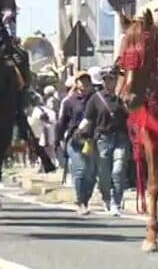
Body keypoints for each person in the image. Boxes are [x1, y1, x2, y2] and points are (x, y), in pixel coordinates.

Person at [82, 67, 129, 216]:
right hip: (102, 137)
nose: (110, 82)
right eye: (107, 79)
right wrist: (82, 133)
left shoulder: (122, 98)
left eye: (112, 79)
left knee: (118, 169)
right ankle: (107, 198)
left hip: (121, 137)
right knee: (104, 172)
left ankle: (116, 200)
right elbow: (88, 119)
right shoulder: (96, 98)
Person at [56, 71, 95, 215]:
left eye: (87, 81)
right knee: (80, 170)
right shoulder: (69, 101)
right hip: (75, 140)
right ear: (76, 83)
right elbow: (62, 122)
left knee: (91, 174)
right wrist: (58, 140)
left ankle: (86, 198)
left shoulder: (95, 99)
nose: (84, 84)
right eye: (81, 81)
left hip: (92, 140)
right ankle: (81, 201)